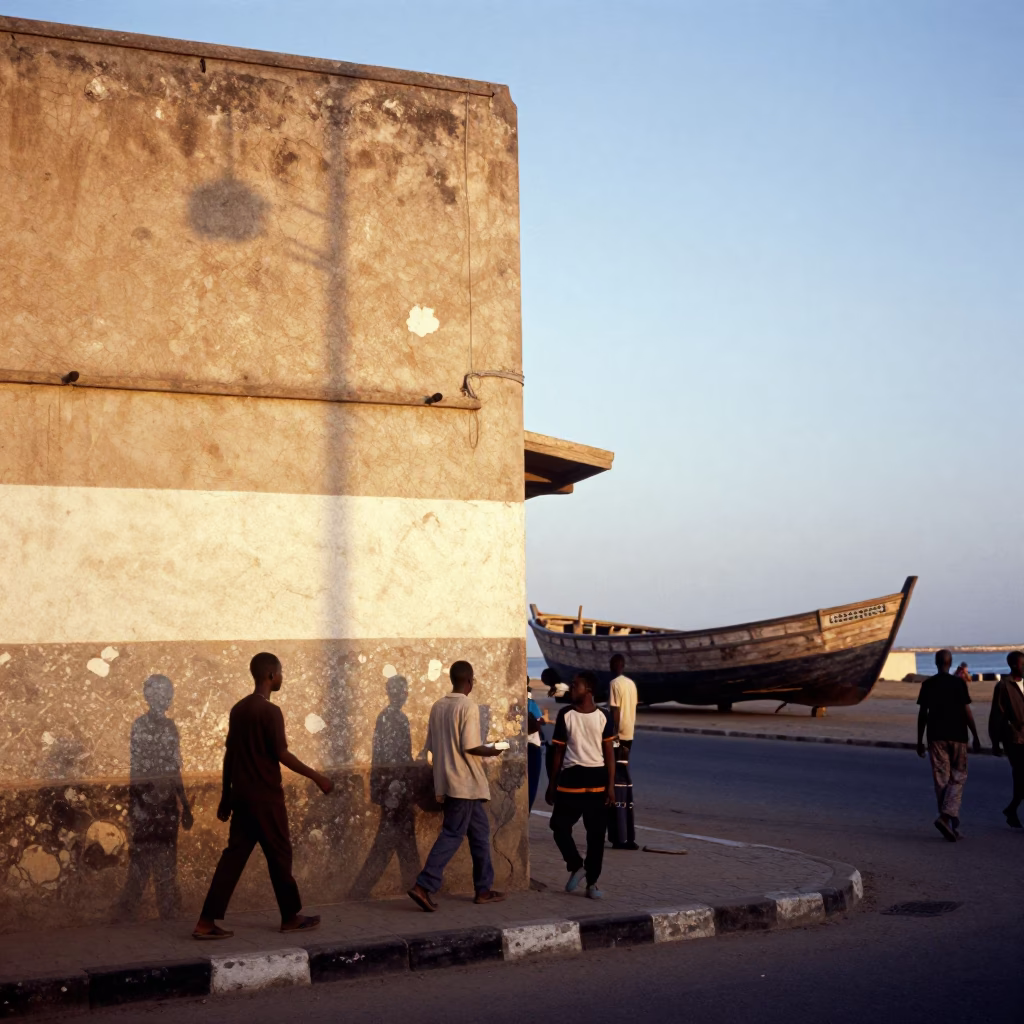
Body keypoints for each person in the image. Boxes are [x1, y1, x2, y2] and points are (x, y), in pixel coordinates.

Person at [193, 652, 333, 939]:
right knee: (280, 854)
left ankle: (206, 922)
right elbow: (282, 753)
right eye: (280, 672)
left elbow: (230, 756)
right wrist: (317, 777)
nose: (282, 677)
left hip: (242, 798)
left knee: (233, 858)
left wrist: (226, 796)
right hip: (266, 798)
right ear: (270, 675)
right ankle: (290, 918)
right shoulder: (270, 711)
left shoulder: (239, 709)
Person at [408, 660, 506, 911]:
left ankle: (483, 889)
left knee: (480, 834)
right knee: (452, 834)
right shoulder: (468, 706)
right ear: (470, 681)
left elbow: (432, 746)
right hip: (465, 783)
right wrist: (494, 750)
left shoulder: (438, 706)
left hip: (452, 782)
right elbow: (470, 745)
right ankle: (424, 885)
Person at [546, 671, 616, 899]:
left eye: (576, 685)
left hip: (597, 781)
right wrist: (552, 784)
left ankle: (592, 883)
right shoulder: (566, 714)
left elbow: (609, 753)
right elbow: (558, 751)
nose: (572, 688)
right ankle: (576, 865)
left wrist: (611, 786)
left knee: (596, 835)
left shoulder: (604, 716)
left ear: (589, 690)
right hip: (571, 780)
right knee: (558, 826)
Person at [916, 649, 982, 842]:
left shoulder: (928, 684)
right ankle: (947, 819)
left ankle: (948, 822)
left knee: (941, 781)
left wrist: (919, 741)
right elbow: (967, 711)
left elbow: (923, 715)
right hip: (958, 736)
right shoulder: (958, 683)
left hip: (936, 737)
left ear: (936, 663)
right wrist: (975, 735)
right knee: (958, 778)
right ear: (950, 663)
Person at [606, 654, 639, 850]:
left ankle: (618, 834)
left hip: (618, 735)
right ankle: (623, 832)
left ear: (613, 665)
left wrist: (614, 734)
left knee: (615, 779)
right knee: (623, 777)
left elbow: (615, 710)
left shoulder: (614, 683)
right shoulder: (631, 684)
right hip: (630, 733)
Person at [989, 650, 1024, 829]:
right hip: (1014, 739)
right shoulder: (1003, 686)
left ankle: (1012, 808)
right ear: (1013, 665)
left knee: (1020, 778)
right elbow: (997, 715)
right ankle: (1012, 809)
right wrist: (995, 742)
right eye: (1022, 664)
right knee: (1021, 774)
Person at [526, 682, 547, 811]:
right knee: (531, 785)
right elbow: (539, 722)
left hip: (521, 746)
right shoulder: (530, 702)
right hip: (532, 746)